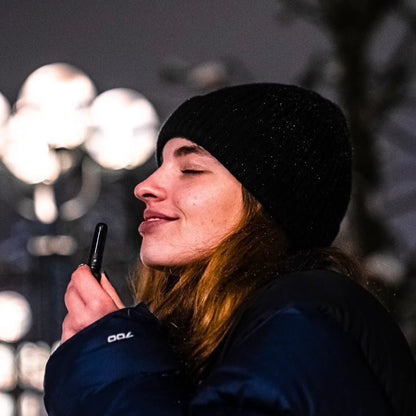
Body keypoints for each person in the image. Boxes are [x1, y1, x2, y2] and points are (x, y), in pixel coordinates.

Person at [44, 83, 416, 415]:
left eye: (191, 169)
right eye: (160, 165)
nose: (145, 186)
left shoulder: (302, 318)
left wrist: (109, 363)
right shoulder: (247, 325)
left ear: (266, 202)